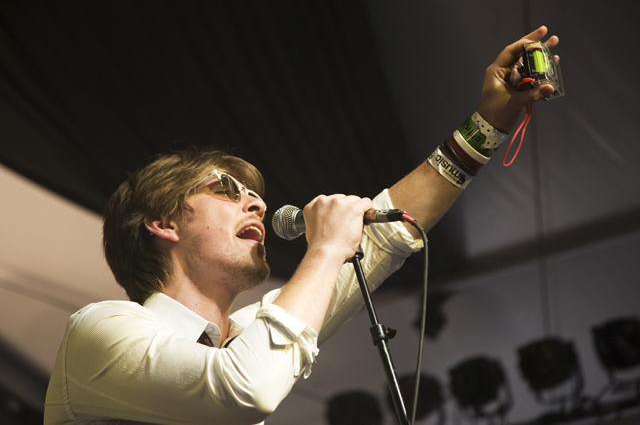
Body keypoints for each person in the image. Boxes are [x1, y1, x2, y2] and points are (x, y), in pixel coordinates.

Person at [44, 27, 560, 425]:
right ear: (162, 224)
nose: (255, 204)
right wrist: (325, 249)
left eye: (253, 195)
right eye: (226, 190)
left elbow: (383, 236)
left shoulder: (250, 333)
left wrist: (489, 122)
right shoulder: (100, 329)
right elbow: (246, 389)